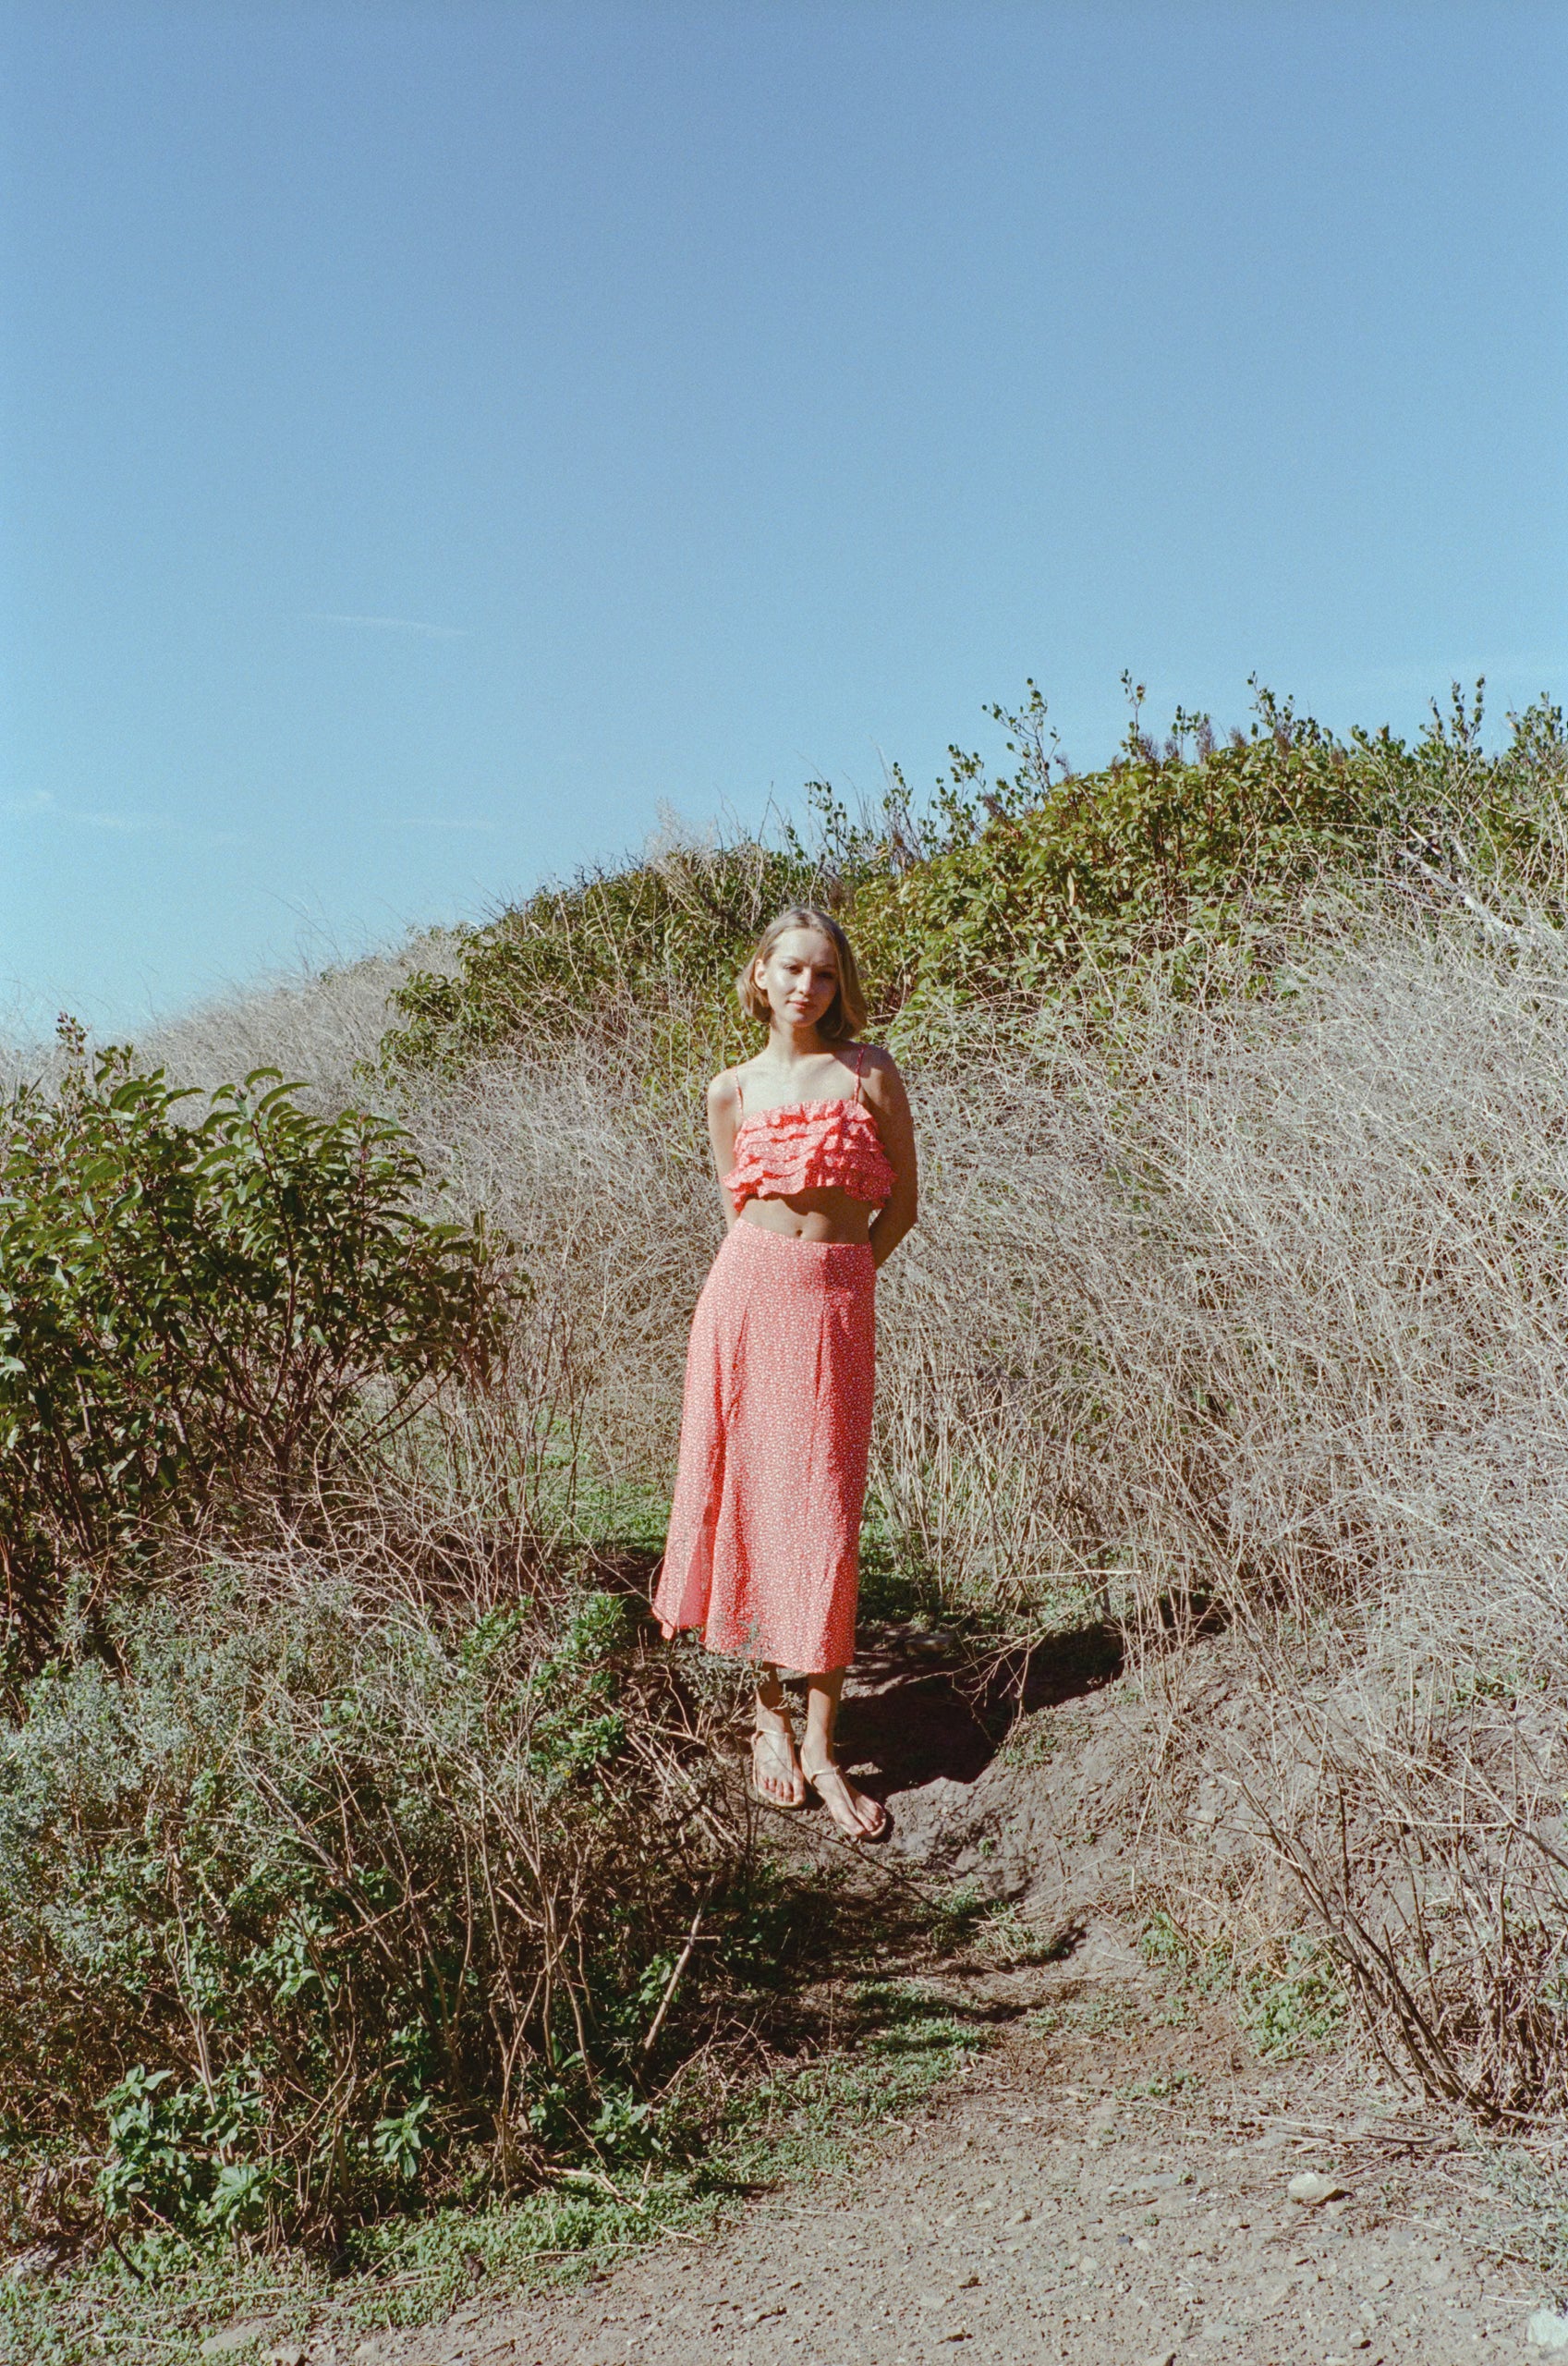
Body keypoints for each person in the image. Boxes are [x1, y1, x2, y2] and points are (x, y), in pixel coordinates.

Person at [652, 906, 918, 1839]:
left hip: (833, 1302)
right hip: (745, 1299)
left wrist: (839, 1280)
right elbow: (739, 1210)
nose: (808, 987)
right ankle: (768, 1720)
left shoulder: (868, 1071)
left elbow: (904, 1206)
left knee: (826, 1515)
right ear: (759, 975)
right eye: (792, 970)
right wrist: (787, 1277)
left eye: (825, 974)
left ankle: (821, 1744)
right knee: (756, 1508)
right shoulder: (728, 1089)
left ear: (839, 985)